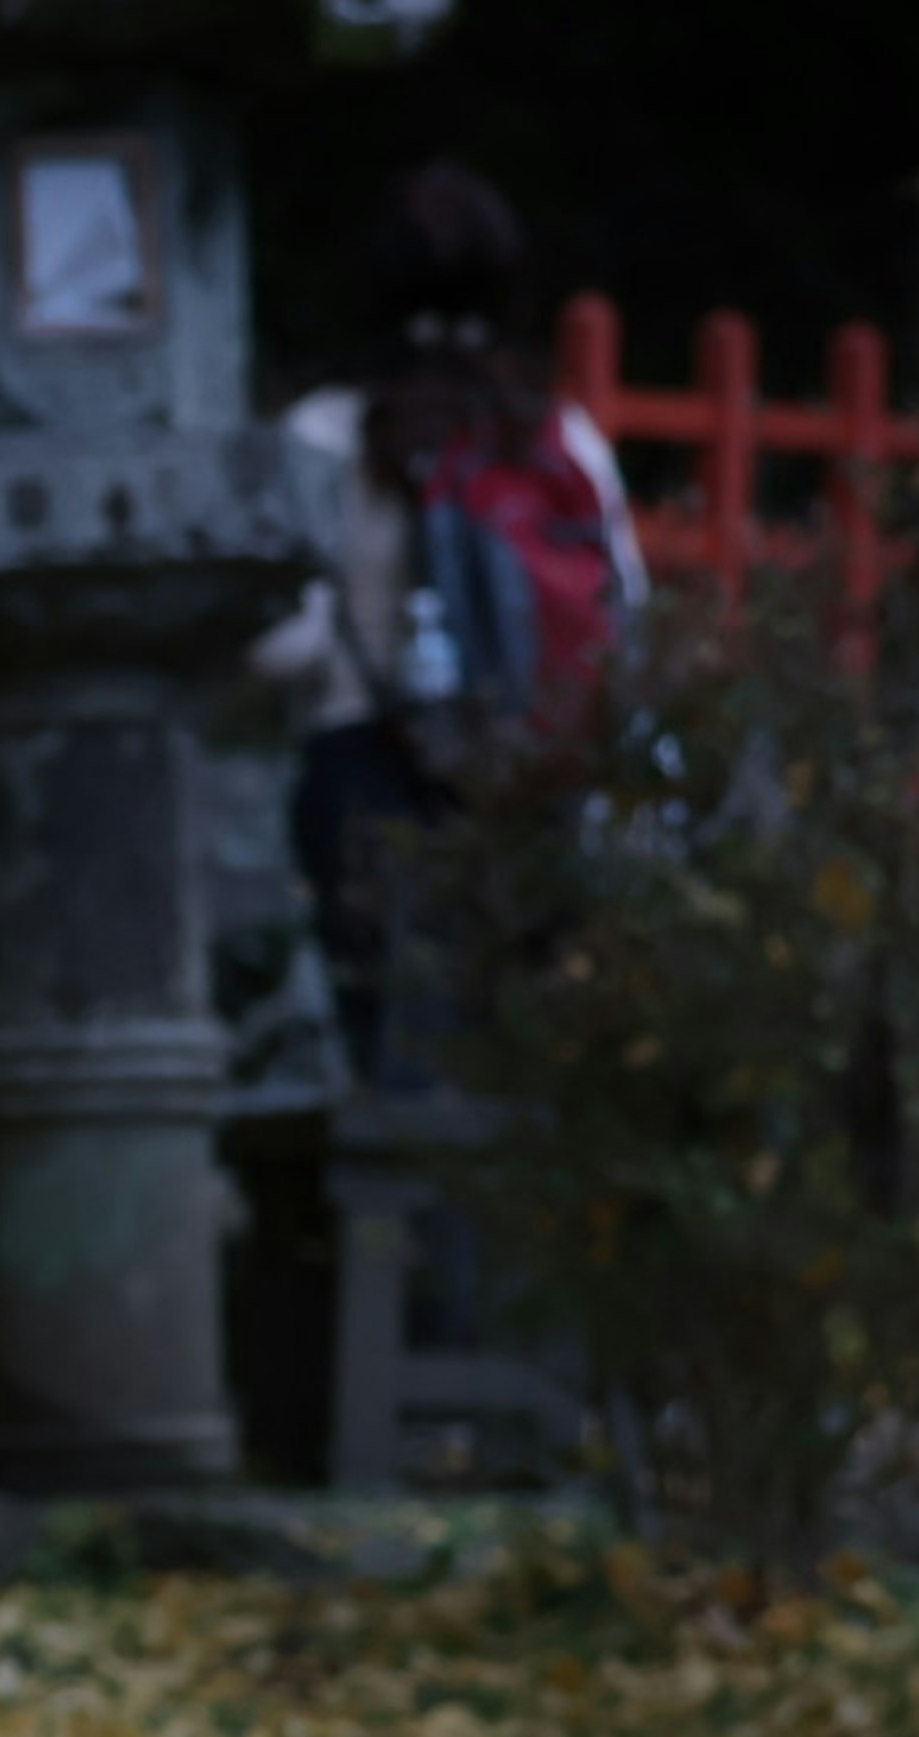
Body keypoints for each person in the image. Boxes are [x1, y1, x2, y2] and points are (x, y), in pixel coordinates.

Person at [247, 161, 646, 1090]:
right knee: (520, 1061)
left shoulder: (328, 431)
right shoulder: (552, 432)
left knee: (399, 1062)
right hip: (530, 777)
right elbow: (625, 611)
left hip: (368, 768)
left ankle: (406, 1235)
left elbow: (287, 645)